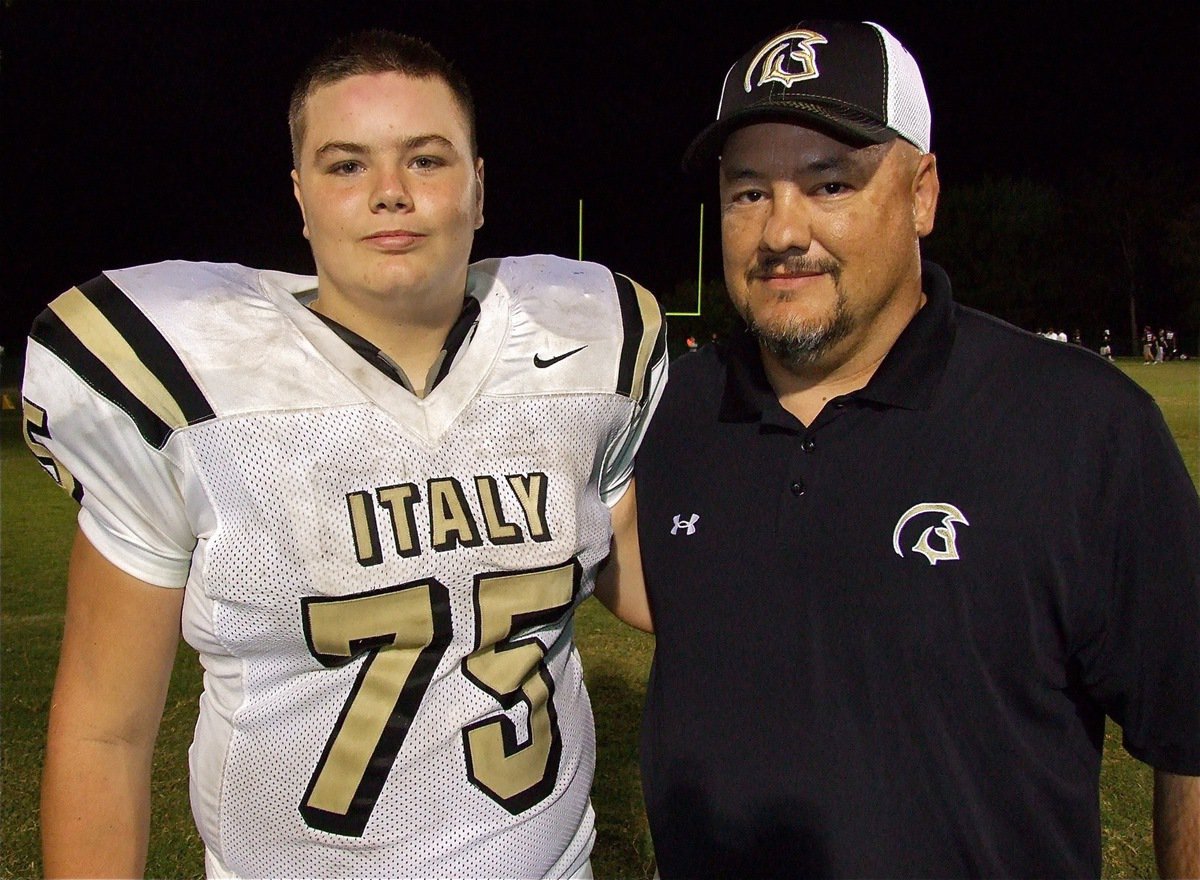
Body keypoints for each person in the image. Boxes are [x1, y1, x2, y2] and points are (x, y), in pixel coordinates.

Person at [23, 30, 666, 879]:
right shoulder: (189, 385)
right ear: (301, 195)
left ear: (478, 188)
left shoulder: (585, 352)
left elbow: (642, 569)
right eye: (347, 165)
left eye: (426, 160)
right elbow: (104, 734)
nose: (390, 192)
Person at [595, 18, 1200, 879]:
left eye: (830, 183)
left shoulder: (1081, 425)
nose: (781, 231)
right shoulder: (673, 411)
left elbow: (1189, 728)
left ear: (922, 194)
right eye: (748, 192)